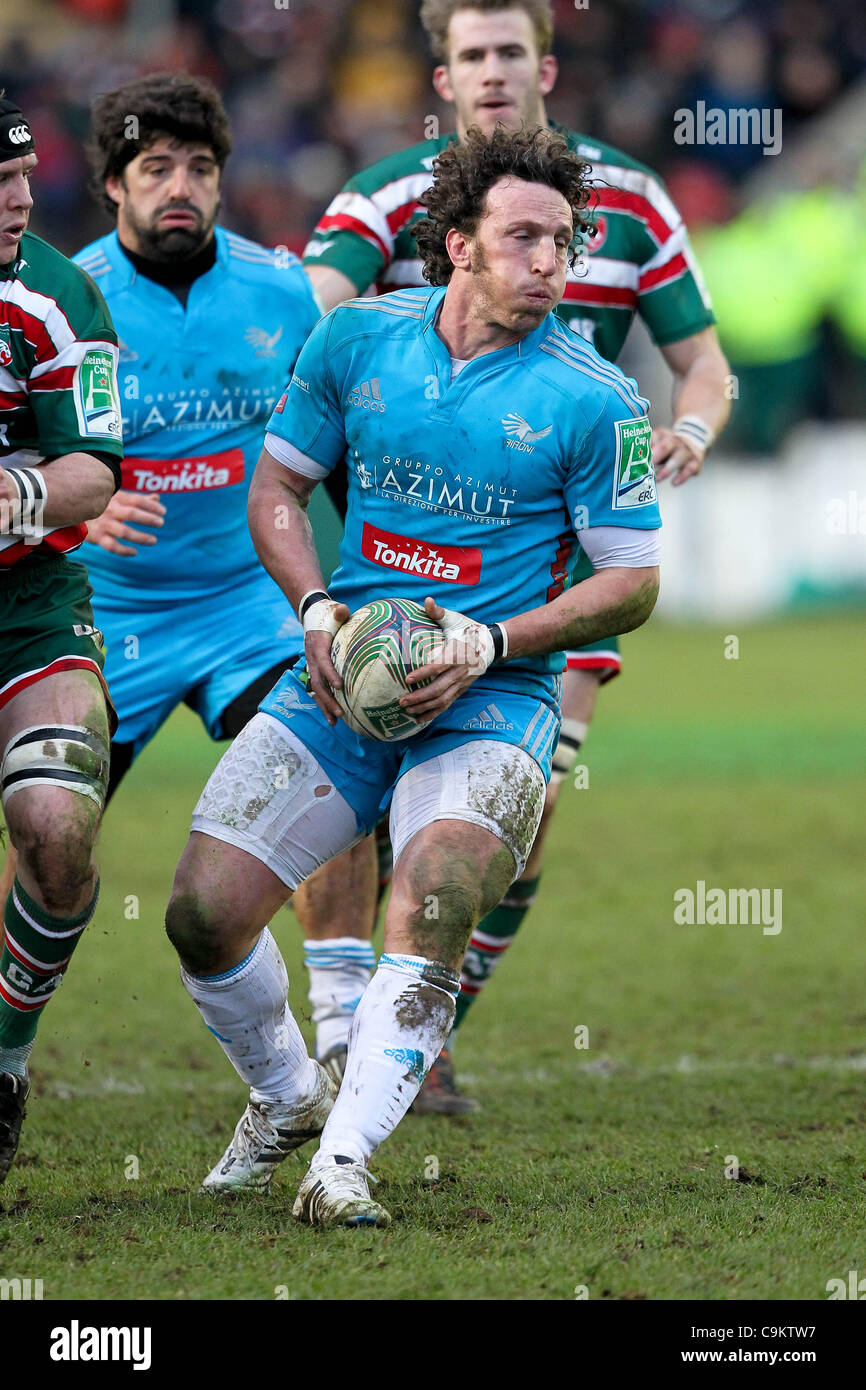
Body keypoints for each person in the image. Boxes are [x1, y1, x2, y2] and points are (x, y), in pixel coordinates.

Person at [164, 125, 661, 1227]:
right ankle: (288, 1094)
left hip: (492, 700)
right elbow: (276, 493)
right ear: (455, 247)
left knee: (431, 890)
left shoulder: (595, 398)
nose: (548, 262)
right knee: (201, 914)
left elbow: (630, 585)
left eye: (563, 241)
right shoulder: (353, 342)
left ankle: (340, 1163)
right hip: (342, 683)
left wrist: (489, 643)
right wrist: (318, 609)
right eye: (522, 237)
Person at [303, 0, 732, 1112]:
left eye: (508, 52)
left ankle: (423, 1028)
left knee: (521, 806)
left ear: (543, 63)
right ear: (440, 79)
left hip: (554, 574)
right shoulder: (386, 198)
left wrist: (690, 428)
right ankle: (344, 1027)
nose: (490, 73)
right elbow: (308, 325)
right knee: (347, 794)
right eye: (468, 56)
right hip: (397, 556)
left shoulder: (630, 200)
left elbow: (704, 366)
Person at [0, 73, 378, 1082]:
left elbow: (332, 446)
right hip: (106, 616)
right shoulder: (71, 295)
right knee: (51, 834)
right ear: (113, 184)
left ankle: (346, 1023)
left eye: (200, 168)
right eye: (155, 167)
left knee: (335, 744)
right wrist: (87, 502)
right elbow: (52, 465)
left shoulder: (283, 293)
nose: (182, 187)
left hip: (245, 603)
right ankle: (13, 1042)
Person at [0, 95, 123, 1181]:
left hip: (25, 606)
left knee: (56, 824)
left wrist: (20, 487)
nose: (22, 198)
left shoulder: (55, 291)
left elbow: (93, 468)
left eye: (25, 174)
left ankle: (2, 1064)